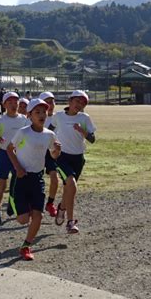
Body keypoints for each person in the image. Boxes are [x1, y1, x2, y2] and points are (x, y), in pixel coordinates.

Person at [6, 98, 61, 260]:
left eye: (44, 111)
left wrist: (56, 151)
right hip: (21, 178)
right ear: (29, 115)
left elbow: (53, 155)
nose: (42, 115)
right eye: (37, 112)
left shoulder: (50, 135)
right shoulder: (23, 132)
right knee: (23, 220)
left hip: (37, 179)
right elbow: (9, 149)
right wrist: (18, 168)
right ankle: (14, 202)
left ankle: (26, 246)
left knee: (39, 216)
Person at [51, 90, 96, 234]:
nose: (79, 104)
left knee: (69, 189)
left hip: (78, 158)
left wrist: (82, 130)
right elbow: (49, 131)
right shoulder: (58, 116)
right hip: (62, 157)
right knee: (72, 184)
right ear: (70, 101)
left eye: (83, 103)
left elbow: (92, 139)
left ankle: (62, 209)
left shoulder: (84, 118)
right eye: (77, 101)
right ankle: (70, 222)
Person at [0, 91, 29, 225]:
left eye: (15, 102)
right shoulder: (0, 120)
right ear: (4, 104)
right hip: (4, 154)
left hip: (20, 155)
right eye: (9, 102)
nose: (13, 104)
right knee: (2, 184)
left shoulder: (24, 119)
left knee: (20, 183)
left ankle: (15, 206)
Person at [39, 91, 59, 218]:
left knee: (54, 177)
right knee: (35, 179)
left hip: (52, 151)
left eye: (52, 101)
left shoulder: (59, 118)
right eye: (47, 102)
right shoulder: (38, 117)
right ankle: (35, 203)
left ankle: (50, 203)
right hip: (38, 151)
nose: (50, 104)